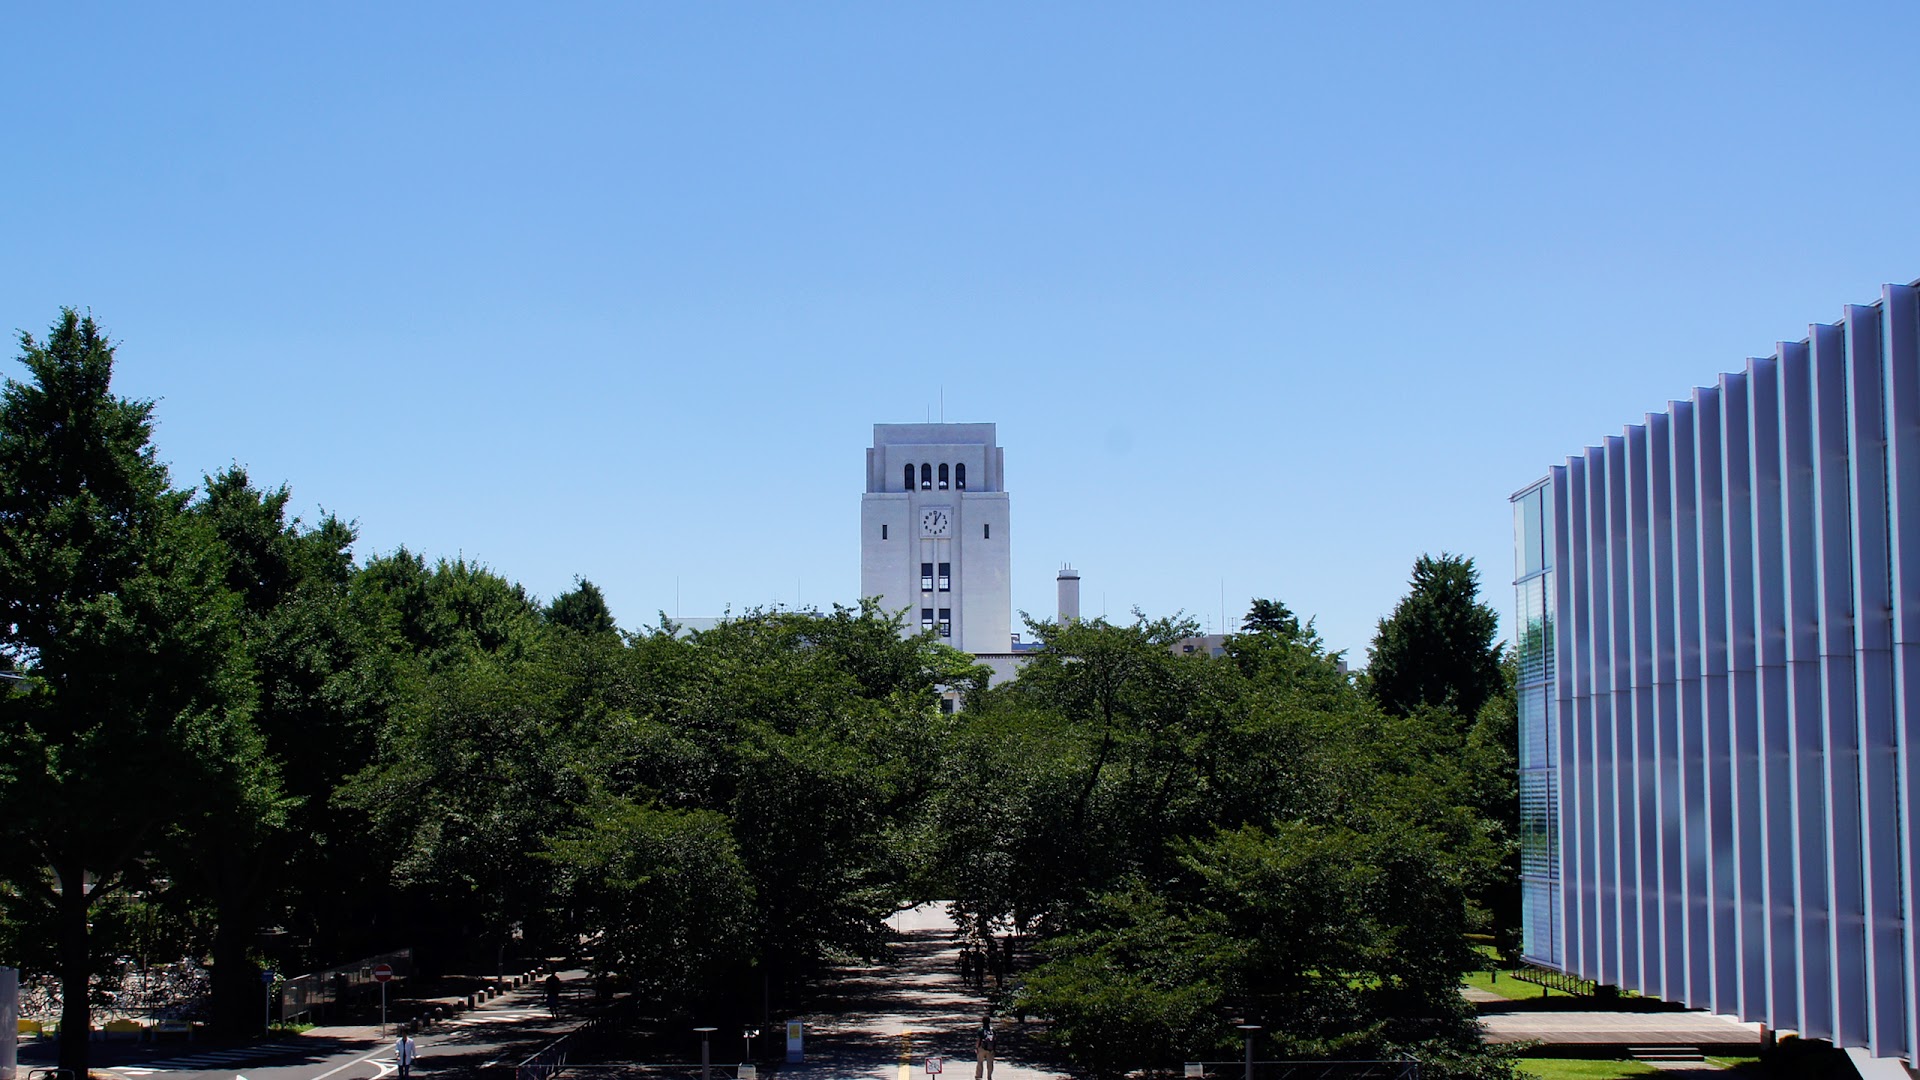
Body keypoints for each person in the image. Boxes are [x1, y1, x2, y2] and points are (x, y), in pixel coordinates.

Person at [974, 1016, 995, 1080]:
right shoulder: (992, 1030)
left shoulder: (981, 1030)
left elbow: (978, 1039)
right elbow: (995, 1039)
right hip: (990, 1049)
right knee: (990, 1063)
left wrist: (976, 1047)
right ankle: (989, 1077)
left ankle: (979, 1076)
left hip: (982, 1048)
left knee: (980, 1062)